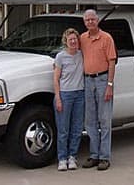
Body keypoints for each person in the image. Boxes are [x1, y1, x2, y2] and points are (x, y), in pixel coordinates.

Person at [80, 9, 116, 171]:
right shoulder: (83, 38)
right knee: (90, 121)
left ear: (98, 20)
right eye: (87, 20)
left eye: (92, 20)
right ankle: (94, 155)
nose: (90, 22)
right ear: (84, 22)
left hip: (102, 80)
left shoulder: (106, 38)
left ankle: (104, 157)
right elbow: (73, 52)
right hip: (88, 81)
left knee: (104, 120)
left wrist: (109, 85)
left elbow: (111, 62)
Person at [53, 28, 85, 171]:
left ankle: (72, 156)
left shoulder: (81, 55)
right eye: (70, 39)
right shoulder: (60, 57)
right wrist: (58, 98)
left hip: (80, 95)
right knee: (63, 129)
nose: (73, 41)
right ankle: (62, 158)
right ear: (65, 41)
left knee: (77, 129)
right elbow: (56, 79)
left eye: (75, 39)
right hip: (65, 95)